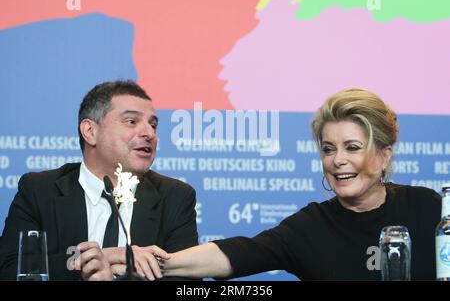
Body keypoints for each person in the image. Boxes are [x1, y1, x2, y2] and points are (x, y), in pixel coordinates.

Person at [157, 88, 442, 280]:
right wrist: (149, 263)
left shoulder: (428, 209)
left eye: (352, 147)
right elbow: (237, 254)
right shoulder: (312, 226)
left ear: (384, 155)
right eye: (329, 149)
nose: (337, 160)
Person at [0, 80, 198, 281]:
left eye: (153, 125)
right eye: (131, 121)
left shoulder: (175, 197)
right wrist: (104, 257)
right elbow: (11, 269)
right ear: (90, 132)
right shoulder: (40, 191)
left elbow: (186, 283)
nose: (149, 134)